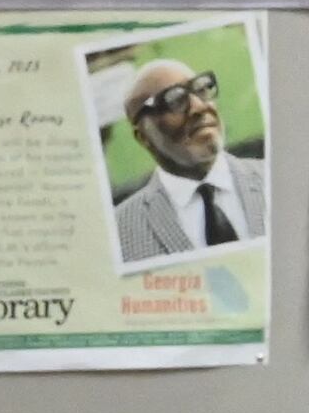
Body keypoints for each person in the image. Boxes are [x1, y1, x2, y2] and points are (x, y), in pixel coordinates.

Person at [111, 60, 268, 264]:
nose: (198, 106)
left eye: (202, 89)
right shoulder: (119, 233)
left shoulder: (280, 180)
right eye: (175, 100)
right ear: (143, 136)